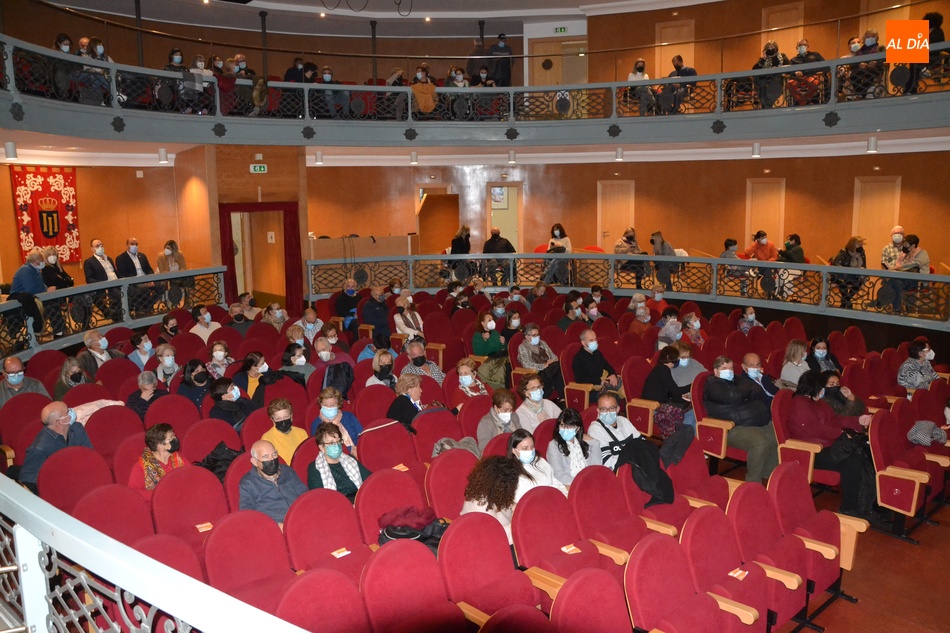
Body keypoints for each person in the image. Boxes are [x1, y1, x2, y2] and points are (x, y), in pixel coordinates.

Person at [787, 371, 875, 519]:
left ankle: (865, 504)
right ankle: (849, 508)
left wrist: (857, 421)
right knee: (852, 460)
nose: (824, 390)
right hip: (812, 451)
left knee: (860, 453)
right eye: (821, 387)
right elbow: (814, 429)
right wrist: (841, 433)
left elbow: (836, 419)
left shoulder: (818, 402)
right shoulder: (800, 404)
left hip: (828, 445)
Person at [703, 356, 778, 482]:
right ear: (716, 371)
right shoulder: (713, 385)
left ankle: (768, 474)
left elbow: (757, 390)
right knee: (760, 442)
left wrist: (742, 391)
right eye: (724, 368)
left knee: (775, 435)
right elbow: (732, 396)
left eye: (731, 368)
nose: (729, 371)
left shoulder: (737, 381)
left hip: (751, 422)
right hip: (731, 427)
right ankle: (753, 482)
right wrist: (745, 390)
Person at [20, 401, 93, 493]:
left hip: (79, 477)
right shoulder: (39, 448)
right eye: (68, 411)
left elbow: (90, 455)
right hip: (58, 487)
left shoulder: (77, 428)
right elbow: (29, 482)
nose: (72, 411)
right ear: (61, 421)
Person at [239, 440, 307, 527]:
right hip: (274, 526)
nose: (271, 459)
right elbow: (248, 515)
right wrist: (274, 525)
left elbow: (304, 495)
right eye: (266, 457)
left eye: (274, 454)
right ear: (255, 462)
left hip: (300, 518)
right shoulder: (248, 483)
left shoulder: (287, 471)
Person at [460, 455, 522, 544]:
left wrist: (516, 509)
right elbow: (497, 537)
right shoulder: (480, 506)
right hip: (485, 544)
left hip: (496, 539)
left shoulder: (492, 492)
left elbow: (506, 508)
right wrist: (518, 520)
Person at [307, 422, 372, 501]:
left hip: (360, 500)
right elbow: (319, 498)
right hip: (337, 504)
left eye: (338, 441)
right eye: (331, 443)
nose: (336, 445)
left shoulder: (350, 459)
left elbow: (370, 479)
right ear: (321, 447)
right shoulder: (315, 468)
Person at [642, 346, 695, 435]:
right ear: (668, 357)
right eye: (676, 358)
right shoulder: (662, 369)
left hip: (659, 403)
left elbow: (672, 391)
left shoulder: (662, 369)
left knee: (689, 407)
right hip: (653, 407)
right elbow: (675, 391)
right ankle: (682, 435)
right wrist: (693, 385)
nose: (678, 360)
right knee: (685, 410)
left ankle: (687, 434)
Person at [128, 423, 185, 501]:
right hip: (158, 503)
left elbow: (189, 475)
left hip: (180, 498)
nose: (175, 439)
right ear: (160, 446)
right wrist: (160, 494)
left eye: (174, 435)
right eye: (171, 438)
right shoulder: (141, 466)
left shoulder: (178, 457)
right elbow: (133, 491)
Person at [547, 408, 602, 486]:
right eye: (562, 425)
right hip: (569, 485)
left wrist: (595, 443)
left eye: (570, 426)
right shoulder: (554, 445)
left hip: (589, 481)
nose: (565, 429)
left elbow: (596, 467)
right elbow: (559, 475)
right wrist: (581, 483)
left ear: (578, 428)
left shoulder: (584, 442)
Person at [588, 391, 640, 471]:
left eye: (611, 408)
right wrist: (634, 459)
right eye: (603, 409)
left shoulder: (624, 421)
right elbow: (607, 462)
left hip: (636, 466)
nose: (608, 412)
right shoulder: (595, 429)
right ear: (598, 410)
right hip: (618, 471)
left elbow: (642, 444)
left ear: (618, 409)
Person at [510, 429, 567, 501]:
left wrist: (564, 496)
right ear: (514, 450)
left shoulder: (540, 461)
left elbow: (556, 483)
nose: (530, 451)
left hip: (553, 501)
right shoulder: (511, 472)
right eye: (525, 448)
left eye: (532, 447)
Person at [309, 387, 362, 456]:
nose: (328, 408)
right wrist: (333, 423)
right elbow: (322, 449)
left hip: (358, 452)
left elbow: (362, 436)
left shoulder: (349, 416)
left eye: (332, 405)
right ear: (320, 405)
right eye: (325, 405)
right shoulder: (316, 424)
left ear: (338, 405)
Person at [115, 237, 159, 317]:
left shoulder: (142, 256)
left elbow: (149, 270)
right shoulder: (121, 258)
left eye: (136, 244)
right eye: (132, 244)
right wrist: (142, 283)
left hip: (146, 279)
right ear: (127, 245)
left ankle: (147, 307)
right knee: (143, 289)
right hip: (134, 282)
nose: (134, 246)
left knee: (161, 286)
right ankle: (144, 310)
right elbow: (123, 275)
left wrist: (151, 280)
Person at [517, 323, 564, 399]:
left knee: (557, 367)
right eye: (534, 335)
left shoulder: (543, 343)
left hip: (550, 370)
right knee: (558, 367)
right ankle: (562, 398)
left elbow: (554, 357)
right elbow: (526, 364)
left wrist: (550, 362)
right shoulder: (523, 347)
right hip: (536, 372)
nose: (537, 337)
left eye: (538, 334)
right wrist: (543, 366)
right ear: (527, 337)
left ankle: (561, 397)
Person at [889, 234, 930, 313]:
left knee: (893, 282)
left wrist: (897, 268)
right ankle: (897, 308)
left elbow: (914, 264)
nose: (904, 246)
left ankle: (881, 302)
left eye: (906, 245)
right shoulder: (905, 255)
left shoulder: (922, 253)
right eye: (903, 244)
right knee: (895, 283)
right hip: (906, 279)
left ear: (913, 245)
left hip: (917, 281)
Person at [261, 397, 308, 465]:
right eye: (278, 419)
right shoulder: (267, 439)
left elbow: (307, 455)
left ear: (291, 416)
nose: (283, 421)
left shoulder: (301, 433)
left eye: (286, 417)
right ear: (272, 420)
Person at [41, 246, 74, 337]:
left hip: (63, 296)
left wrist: (63, 282)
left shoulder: (59, 268)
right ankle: (59, 331)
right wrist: (64, 282)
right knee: (52, 307)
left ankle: (83, 323)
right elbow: (58, 282)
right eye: (49, 255)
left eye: (54, 254)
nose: (52, 256)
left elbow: (70, 281)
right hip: (53, 298)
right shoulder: (46, 269)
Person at [473, 311, 509, 390]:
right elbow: (480, 353)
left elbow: (501, 348)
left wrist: (503, 343)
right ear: (483, 323)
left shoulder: (495, 333)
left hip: (500, 356)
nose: (492, 322)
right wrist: (486, 340)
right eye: (489, 320)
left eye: (492, 320)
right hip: (490, 359)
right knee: (504, 365)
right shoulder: (478, 335)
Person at [786, 38, 826, 105]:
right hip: (798, 79)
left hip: (811, 76)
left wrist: (804, 72)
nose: (802, 47)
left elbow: (825, 66)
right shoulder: (793, 60)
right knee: (790, 83)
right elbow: (789, 71)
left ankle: (803, 101)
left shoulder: (815, 55)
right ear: (796, 48)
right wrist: (795, 73)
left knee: (814, 82)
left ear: (807, 46)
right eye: (800, 45)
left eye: (804, 45)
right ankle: (804, 101)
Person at [831, 236, 867, 309]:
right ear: (852, 244)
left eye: (861, 244)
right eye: (859, 244)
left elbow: (864, 266)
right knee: (842, 282)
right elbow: (836, 264)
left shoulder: (861, 253)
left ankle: (845, 301)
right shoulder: (844, 252)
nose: (860, 246)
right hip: (841, 276)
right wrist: (846, 270)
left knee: (859, 282)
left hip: (854, 276)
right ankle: (847, 301)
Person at [752, 40, 789, 109]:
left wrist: (777, 69)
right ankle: (766, 106)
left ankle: (767, 106)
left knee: (773, 84)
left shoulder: (782, 56)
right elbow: (754, 70)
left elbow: (788, 67)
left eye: (772, 47)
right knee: (762, 84)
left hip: (777, 80)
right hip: (765, 81)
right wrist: (764, 59)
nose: (770, 49)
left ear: (776, 48)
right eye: (768, 48)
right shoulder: (762, 60)